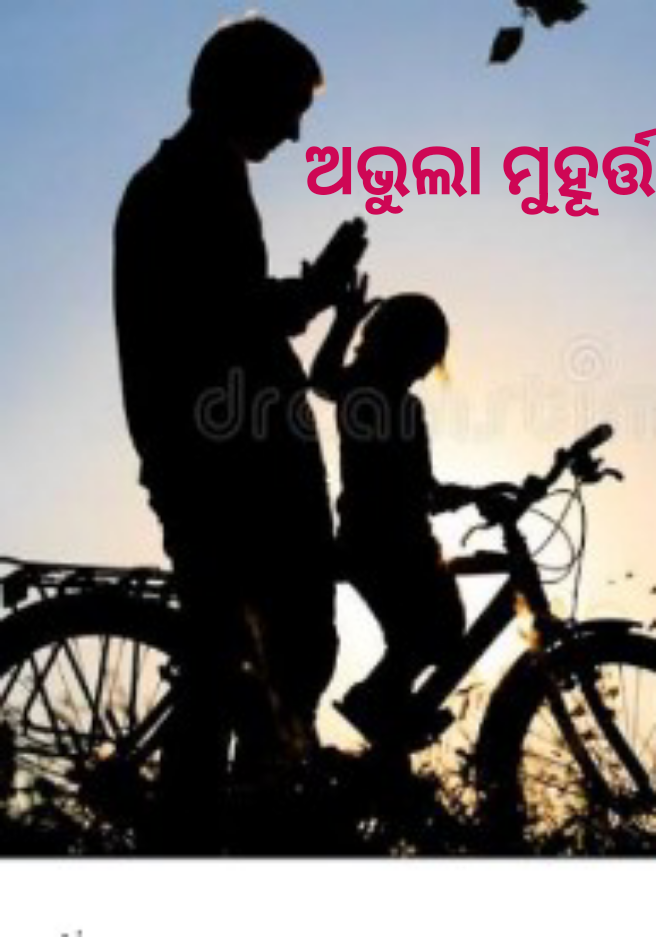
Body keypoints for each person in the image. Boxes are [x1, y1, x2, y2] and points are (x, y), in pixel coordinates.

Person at [113, 16, 367, 809]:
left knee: (236, 666)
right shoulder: (192, 180)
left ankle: (224, 820)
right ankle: (238, 825)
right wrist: (315, 292)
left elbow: (223, 311)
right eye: (290, 108)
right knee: (274, 660)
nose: (294, 133)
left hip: (219, 455)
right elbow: (225, 318)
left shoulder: (189, 175)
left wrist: (309, 295)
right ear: (244, 90)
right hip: (233, 464)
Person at [311, 277, 472, 748]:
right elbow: (322, 380)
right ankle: (375, 704)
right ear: (397, 347)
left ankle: (387, 716)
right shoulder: (364, 389)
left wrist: (470, 494)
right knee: (428, 635)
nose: (422, 370)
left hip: (408, 538)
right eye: (421, 356)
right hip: (376, 540)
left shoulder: (409, 408)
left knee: (441, 633)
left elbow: (423, 486)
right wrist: (344, 322)